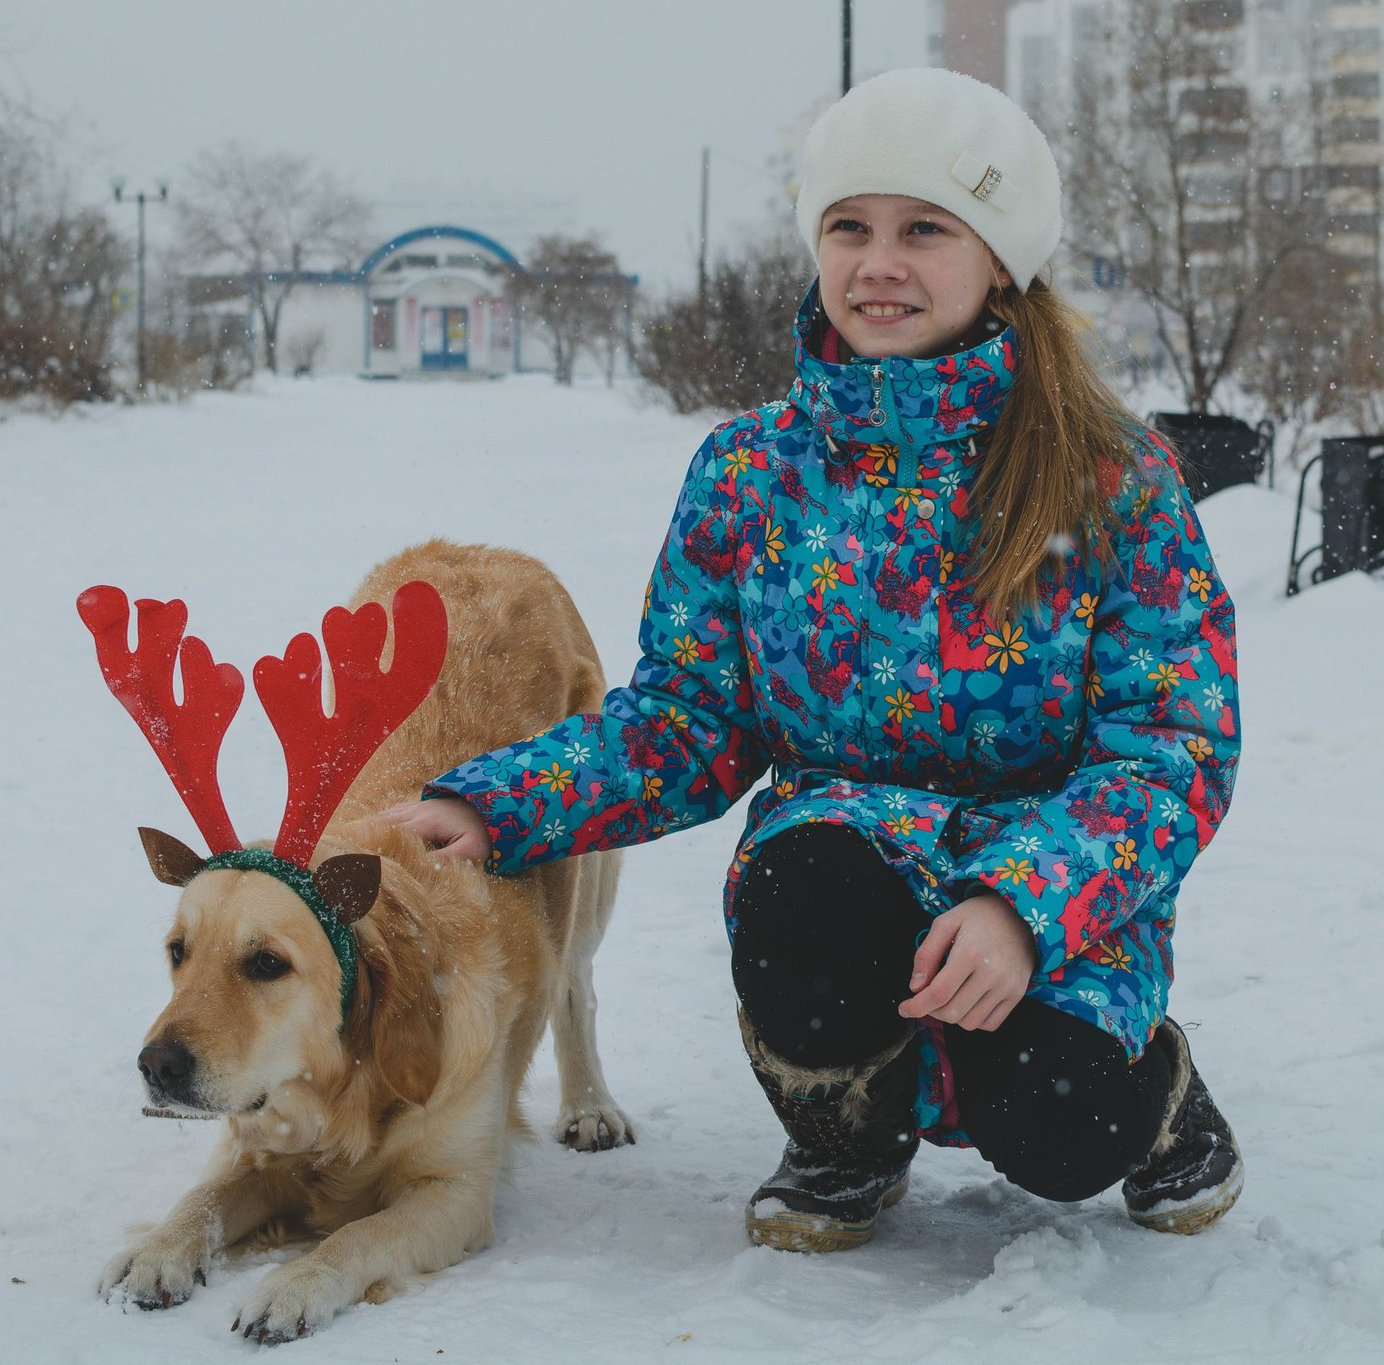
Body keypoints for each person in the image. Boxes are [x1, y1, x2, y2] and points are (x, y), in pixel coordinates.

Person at [392, 68, 1243, 1251]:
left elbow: (1172, 750)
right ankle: (844, 1134)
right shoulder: (751, 474)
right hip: (846, 852)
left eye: (924, 229)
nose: (877, 262)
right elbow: (685, 720)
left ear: (999, 260)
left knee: (1056, 1129)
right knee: (806, 890)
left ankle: (1159, 1106)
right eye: (849, 226)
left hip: (1052, 875)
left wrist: (1021, 904)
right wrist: (492, 806)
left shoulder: (1112, 477)